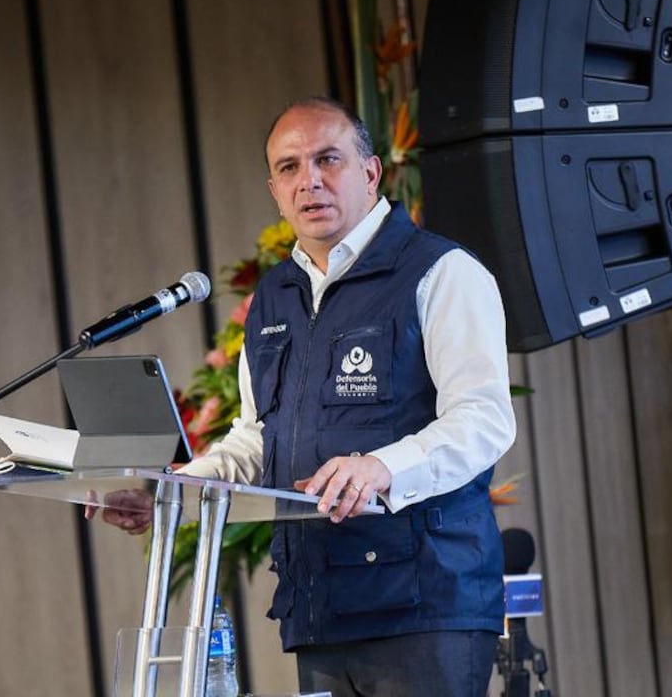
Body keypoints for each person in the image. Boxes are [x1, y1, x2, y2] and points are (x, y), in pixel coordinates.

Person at [97, 96, 516, 696]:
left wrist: (380, 467)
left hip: (426, 605)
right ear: (275, 190)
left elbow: (484, 419)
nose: (309, 180)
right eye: (289, 167)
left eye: (328, 159)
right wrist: (168, 493)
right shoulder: (274, 297)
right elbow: (257, 439)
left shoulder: (442, 272)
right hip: (319, 607)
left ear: (370, 172)